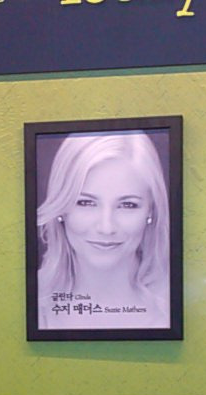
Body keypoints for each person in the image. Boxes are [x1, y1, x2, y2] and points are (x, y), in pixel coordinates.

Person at [35, 131, 171, 330]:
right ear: (61, 207)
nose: (106, 228)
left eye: (128, 205)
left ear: (151, 210)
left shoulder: (177, 304)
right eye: (86, 202)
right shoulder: (28, 299)